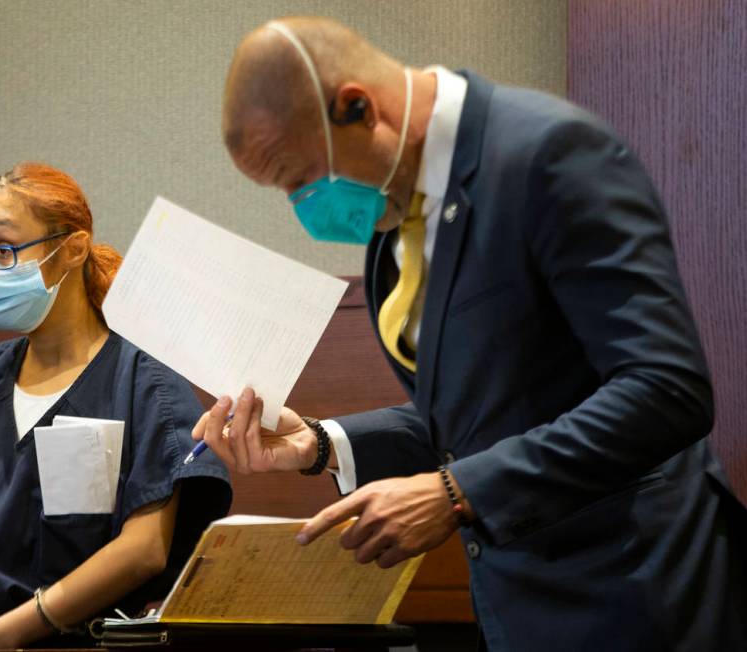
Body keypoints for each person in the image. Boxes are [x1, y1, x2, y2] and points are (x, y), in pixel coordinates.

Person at [194, 16, 747, 651]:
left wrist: (458, 493)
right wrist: (320, 444)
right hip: (516, 602)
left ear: (356, 106)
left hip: (637, 590)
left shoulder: (549, 154)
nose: (303, 206)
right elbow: (480, 418)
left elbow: (666, 390)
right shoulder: (391, 221)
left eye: (301, 181)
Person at [0, 163, 231, 650]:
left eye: (2, 250)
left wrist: (6, 635)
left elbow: (144, 550)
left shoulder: (142, 380)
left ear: (74, 248)